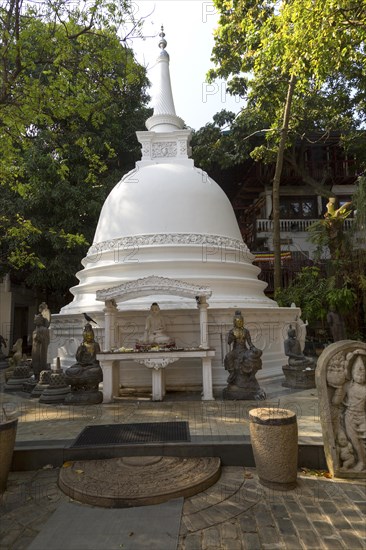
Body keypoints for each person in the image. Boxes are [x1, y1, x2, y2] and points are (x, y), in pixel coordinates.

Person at [224, 311, 262, 385]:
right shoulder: (232, 331)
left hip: (244, 350)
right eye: (238, 321)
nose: (240, 323)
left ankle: (251, 375)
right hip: (235, 350)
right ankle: (232, 372)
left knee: (257, 353)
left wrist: (253, 348)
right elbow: (229, 342)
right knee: (228, 356)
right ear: (234, 322)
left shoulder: (245, 331)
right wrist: (231, 337)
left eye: (241, 321)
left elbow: (249, 342)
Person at [343, 354, 366, 472]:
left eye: (363, 375)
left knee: (363, 439)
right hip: (350, 416)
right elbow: (337, 401)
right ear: (352, 373)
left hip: (362, 416)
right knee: (354, 440)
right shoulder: (347, 386)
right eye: (357, 374)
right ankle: (361, 461)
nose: (360, 377)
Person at [31, 313, 50, 381]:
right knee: (35, 361)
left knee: (40, 362)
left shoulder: (45, 330)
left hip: (41, 349)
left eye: (36, 320)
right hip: (35, 349)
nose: (34, 321)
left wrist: (39, 338)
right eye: (34, 320)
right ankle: (36, 375)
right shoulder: (35, 330)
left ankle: (41, 376)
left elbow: (46, 341)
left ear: (40, 321)